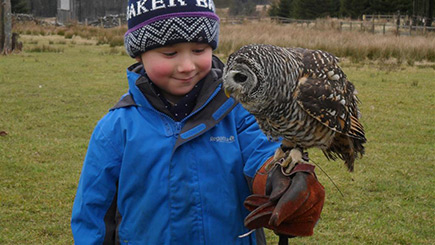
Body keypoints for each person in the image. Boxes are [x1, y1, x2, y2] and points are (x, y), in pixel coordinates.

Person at [71, 0, 324, 244]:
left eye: (199, 50)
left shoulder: (240, 111)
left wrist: (281, 176)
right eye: (170, 53)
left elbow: (264, 152)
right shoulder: (115, 128)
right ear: (139, 55)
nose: (187, 65)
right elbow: (92, 212)